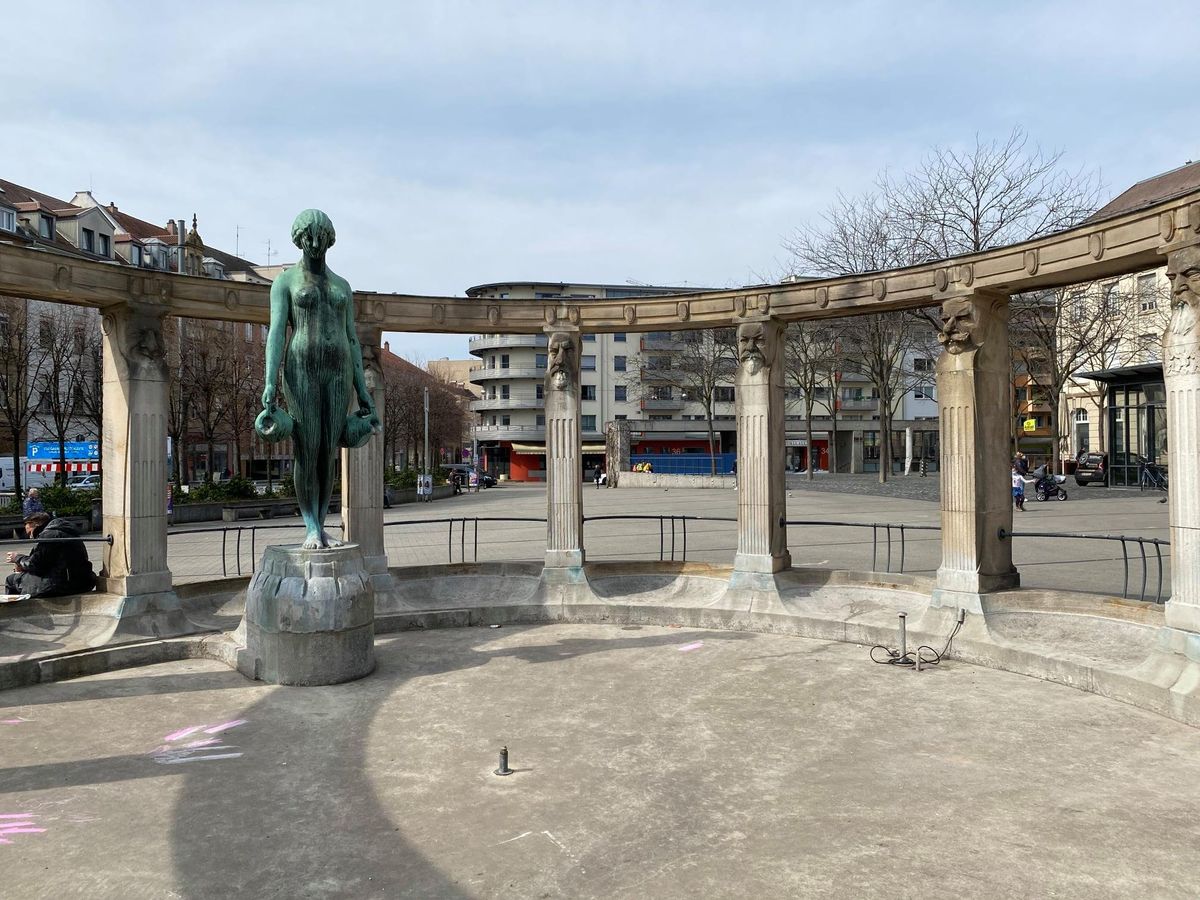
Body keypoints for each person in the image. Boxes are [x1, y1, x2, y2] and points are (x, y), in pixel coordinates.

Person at [257, 209, 380, 549]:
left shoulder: (342, 286)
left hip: (338, 369)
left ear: (329, 239)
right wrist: (269, 381)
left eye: (320, 237)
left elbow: (353, 338)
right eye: (307, 237)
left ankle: (321, 522)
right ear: (299, 239)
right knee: (307, 448)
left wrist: (362, 389)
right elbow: (277, 333)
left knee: (328, 449)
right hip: (301, 368)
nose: (314, 244)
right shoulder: (284, 282)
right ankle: (310, 524)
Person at [5, 511, 97, 598]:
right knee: (25, 577)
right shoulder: (64, 531)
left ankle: (15, 612)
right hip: (83, 580)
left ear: (35, 523)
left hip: (63, 584)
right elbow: (46, 561)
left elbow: (36, 565)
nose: (30, 537)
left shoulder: (49, 535)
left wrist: (17, 558)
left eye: (29, 532)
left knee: (11, 580)